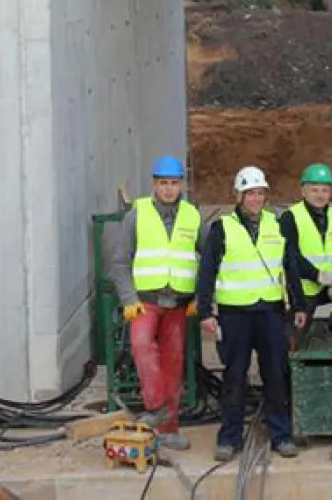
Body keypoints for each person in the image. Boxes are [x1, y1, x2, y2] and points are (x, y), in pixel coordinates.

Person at [196, 166, 308, 463]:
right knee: (234, 377)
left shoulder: (277, 225)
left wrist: (298, 304)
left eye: (260, 193)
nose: (256, 199)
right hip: (235, 315)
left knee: (275, 375)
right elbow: (207, 272)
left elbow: (290, 266)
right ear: (239, 196)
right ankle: (230, 437)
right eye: (250, 194)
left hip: (270, 313)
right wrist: (206, 312)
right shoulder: (222, 229)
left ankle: (281, 435)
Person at [108, 155, 200, 450]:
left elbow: (208, 260)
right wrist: (128, 298)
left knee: (173, 363)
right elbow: (119, 262)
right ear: (154, 185)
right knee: (142, 345)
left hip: (179, 303)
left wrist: (200, 296)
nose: (169, 189)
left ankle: (168, 429)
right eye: (163, 184)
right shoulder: (137, 215)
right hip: (145, 302)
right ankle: (157, 406)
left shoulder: (192, 216)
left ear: (181, 184)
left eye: (174, 183)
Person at [279, 163, 332, 320]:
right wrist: (319, 276)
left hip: (330, 286)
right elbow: (290, 257)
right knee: (294, 338)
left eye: (324, 190)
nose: (320, 195)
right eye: (314, 190)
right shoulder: (291, 217)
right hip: (302, 291)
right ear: (303, 191)